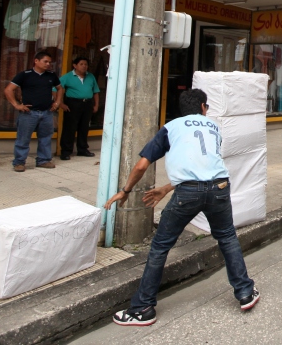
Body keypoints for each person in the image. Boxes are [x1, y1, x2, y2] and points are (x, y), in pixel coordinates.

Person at [104, 88, 259, 327]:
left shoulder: (172, 127)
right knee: (227, 237)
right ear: (203, 107)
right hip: (219, 187)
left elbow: (141, 166)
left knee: (160, 246)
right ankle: (245, 292)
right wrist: (167, 189)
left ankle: (143, 308)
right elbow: (203, 165)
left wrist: (125, 191)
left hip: (188, 192)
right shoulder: (214, 128)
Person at [4, 51, 63, 172]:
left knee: (46, 137)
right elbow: (9, 90)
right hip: (29, 112)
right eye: (45, 61)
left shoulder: (51, 75)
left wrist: (57, 103)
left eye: (49, 62)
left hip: (46, 112)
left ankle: (44, 160)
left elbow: (60, 89)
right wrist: (17, 105)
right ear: (36, 61)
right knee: (23, 138)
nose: (48, 64)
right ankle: (19, 162)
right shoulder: (25, 75)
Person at [58, 57, 100, 160]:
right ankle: (66, 151)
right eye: (81, 64)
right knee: (69, 128)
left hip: (87, 104)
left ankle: (82, 149)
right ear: (75, 65)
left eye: (85, 64)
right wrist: (60, 104)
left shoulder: (90, 76)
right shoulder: (67, 76)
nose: (84, 66)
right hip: (73, 103)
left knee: (84, 127)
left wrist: (96, 105)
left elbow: (96, 91)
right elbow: (56, 89)